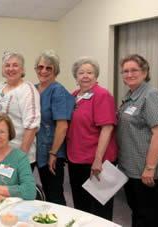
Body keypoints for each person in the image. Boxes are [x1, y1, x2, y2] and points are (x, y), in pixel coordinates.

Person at [117, 54, 158, 227]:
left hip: (150, 173)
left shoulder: (151, 96)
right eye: (125, 71)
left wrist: (150, 168)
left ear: (144, 72)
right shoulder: (131, 96)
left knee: (150, 219)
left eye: (134, 70)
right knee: (139, 214)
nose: (129, 74)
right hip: (133, 170)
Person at [66, 57, 118, 220]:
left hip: (97, 162)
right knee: (81, 207)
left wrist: (98, 159)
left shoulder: (102, 95)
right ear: (76, 76)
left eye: (90, 72)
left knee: (100, 209)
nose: (85, 76)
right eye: (81, 72)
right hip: (76, 159)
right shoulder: (74, 95)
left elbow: (107, 128)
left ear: (96, 75)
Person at [34, 50, 74, 205]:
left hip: (52, 152)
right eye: (40, 67)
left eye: (48, 68)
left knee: (54, 195)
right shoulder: (33, 88)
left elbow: (62, 126)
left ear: (55, 70)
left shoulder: (58, 91)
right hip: (36, 149)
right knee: (42, 190)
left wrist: (53, 153)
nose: (43, 71)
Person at [0, 52, 40, 169]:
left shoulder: (27, 90)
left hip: (18, 155)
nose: (11, 69)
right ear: (3, 69)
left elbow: (32, 126)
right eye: (7, 65)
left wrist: (19, 158)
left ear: (22, 69)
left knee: (13, 187)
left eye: (15, 65)